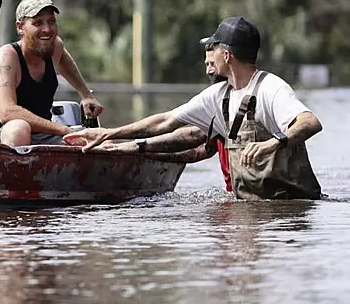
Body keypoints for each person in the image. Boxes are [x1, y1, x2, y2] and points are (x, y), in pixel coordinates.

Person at [76, 17, 322, 199]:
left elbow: (309, 122)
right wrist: (109, 134)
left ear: (226, 55)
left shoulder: (271, 88)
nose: (208, 59)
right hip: (252, 205)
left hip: (291, 208)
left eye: (212, 49)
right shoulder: (218, 95)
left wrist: (273, 142)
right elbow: (166, 121)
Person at [88, 44, 233, 191]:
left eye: (213, 63)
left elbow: (188, 132)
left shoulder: (245, 100)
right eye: (207, 64)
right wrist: (126, 149)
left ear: (227, 57)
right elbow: (198, 151)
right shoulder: (216, 103)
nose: (209, 70)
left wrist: (119, 139)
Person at [0, 0, 103, 146]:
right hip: (1, 143)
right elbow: (7, 112)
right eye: (38, 23)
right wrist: (63, 130)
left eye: (51, 22)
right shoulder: (5, 58)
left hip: (44, 138)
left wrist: (85, 94)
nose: (47, 29)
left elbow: (63, 58)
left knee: (95, 143)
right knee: (18, 128)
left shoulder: (54, 46)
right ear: (20, 27)